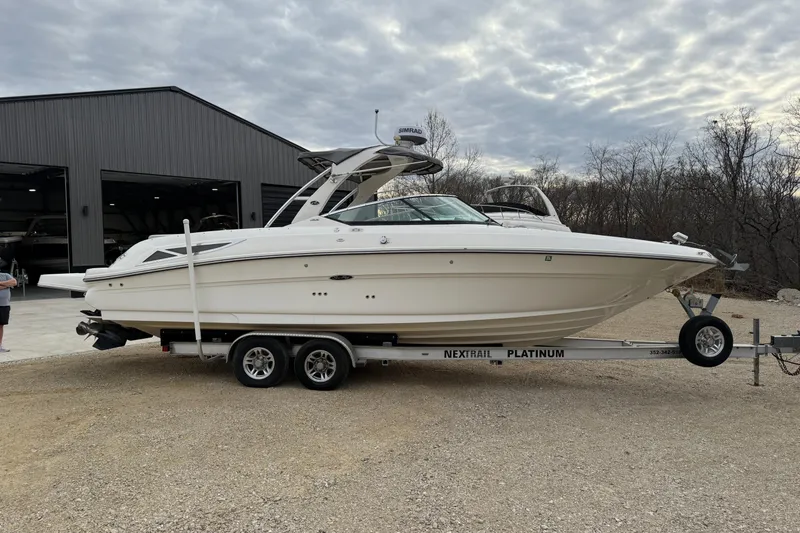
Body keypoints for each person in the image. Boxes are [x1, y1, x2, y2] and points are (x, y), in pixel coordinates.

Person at [0, 271, 18, 352]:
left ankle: (0, 345)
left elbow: (14, 282)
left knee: (0, 326)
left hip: (4, 305)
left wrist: (1, 283)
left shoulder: (5, 275)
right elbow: (10, 284)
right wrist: (6, 285)